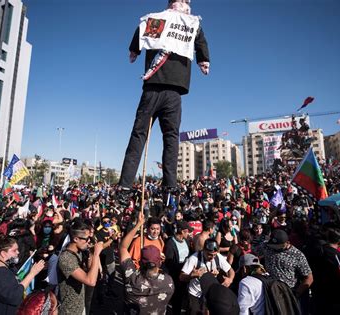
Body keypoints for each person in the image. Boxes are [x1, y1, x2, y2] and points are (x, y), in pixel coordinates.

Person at [118, 0, 210, 198]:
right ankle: (169, 184)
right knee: (170, 138)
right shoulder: (190, 23)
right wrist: (204, 59)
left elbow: (141, 29)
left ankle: (125, 185)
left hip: (153, 87)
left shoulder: (158, 20)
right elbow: (200, 40)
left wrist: (135, 49)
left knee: (139, 135)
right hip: (174, 90)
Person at [120, 210, 174, 314]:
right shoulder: (139, 242)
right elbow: (131, 261)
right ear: (147, 229)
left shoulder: (160, 241)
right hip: (141, 281)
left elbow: (122, 248)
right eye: (153, 229)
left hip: (155, 280)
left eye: (158, 229)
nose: (155, 232)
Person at [0, 237, 45, 315]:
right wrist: (32, 273)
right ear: (3, 254)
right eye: (14, 250)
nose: (18, 252)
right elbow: (15, 296)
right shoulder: (0, 272)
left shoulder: (0, 267)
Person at [57, 221, 103, 315]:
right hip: (69, 310)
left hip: (80, 305)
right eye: (86, 239)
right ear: (76, 239)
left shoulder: (79, 251)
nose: (89, 241)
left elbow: (91, 271)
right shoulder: (66, 258)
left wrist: (91, 252)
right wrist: (96, 254)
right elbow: (90, 281)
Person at [180, 238, 235, 315]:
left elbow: (231, 271)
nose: (212, 258)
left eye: (214, 255)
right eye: (209, 254)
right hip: (195, 294)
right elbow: (181, 277)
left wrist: (230, 279)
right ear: (203, 250)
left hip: (210, 294)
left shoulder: (218, 257)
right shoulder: (194, 258)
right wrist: (192, 276)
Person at [256, 229, 313, 298]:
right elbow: (253, 254)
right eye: (273, 246)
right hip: (269, 291)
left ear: (287, 243)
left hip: (287, 294)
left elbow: (309, 278)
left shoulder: (297, 255)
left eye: (279, 246)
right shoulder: (266, 246)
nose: (275, 248)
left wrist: (296, 294)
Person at [164, 220, 192, 314]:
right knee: (177, 299)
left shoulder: (186, 241)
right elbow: (169, 263)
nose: (189, 233)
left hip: (185, 274)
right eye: (187, 231)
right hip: (176, 276)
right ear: (181, 231)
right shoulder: (170, 243)